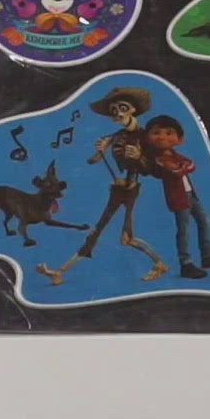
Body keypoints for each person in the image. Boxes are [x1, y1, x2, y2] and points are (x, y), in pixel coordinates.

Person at [38, 86, 167, 285]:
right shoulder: (116, 136)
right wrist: (100, 150)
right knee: (99, 232)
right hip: (117, 190)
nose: (118, 114)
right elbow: (94, 160)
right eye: (114, 110)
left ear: (133, 109)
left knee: (125, 238)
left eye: (122, 108)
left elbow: (150, 169)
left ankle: (159, 263)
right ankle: (60, 272)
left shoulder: (145, 138)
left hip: (130, 191)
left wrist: (139, 157)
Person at [142, 116, 210, 280]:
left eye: (169, 133)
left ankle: (208, 255)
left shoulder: (174, 155)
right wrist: (183, 167)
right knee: (184, 229)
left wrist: (183, 167)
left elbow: (190, 165)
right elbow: (177, 171)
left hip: (190, 194)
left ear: (180, 139)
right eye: (156, 133)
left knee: (204, 220)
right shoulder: (159, 159)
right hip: (178, 197)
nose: (162, 137)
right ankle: (186, 263)